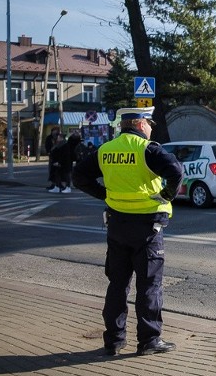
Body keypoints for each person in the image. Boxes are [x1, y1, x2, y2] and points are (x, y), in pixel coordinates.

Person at [73, 109, 184, 356]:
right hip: (147, 229)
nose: (151, 128)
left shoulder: (105, 150)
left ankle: (113, 340)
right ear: (140, 124)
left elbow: (79, 176)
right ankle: (149, 341)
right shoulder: (147, 149)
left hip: (117, 226)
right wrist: (166, 195)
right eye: (149, 124)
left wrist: (105, 194)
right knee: (149, 286)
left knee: (117, 284)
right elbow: (176, 172)